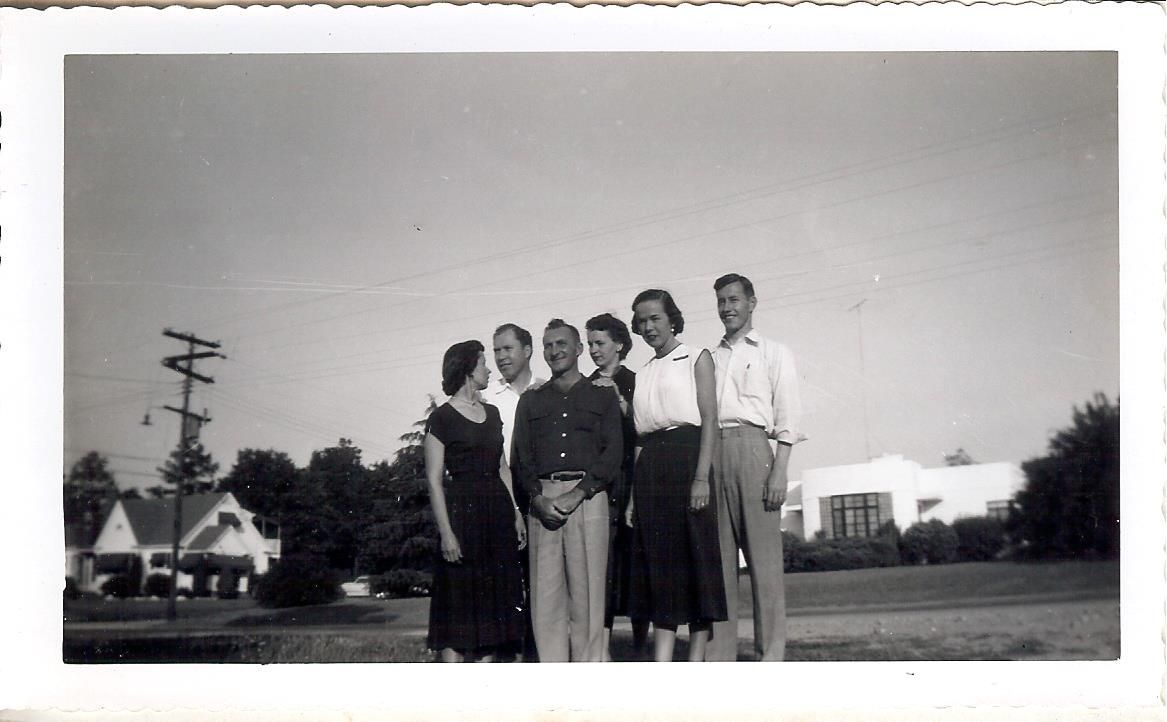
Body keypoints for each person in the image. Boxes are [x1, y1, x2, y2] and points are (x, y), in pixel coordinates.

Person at [705, 273, 805, 662]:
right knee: (720, 563)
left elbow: (788, 414)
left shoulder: (773, 352)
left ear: (751, 303)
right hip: (714, 451)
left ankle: (771, 656)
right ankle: (721, 657)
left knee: (764, 564)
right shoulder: (709, 358)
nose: (727, 308)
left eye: (733, 300)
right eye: (721, 301)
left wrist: (779, 470)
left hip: (754, 450)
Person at [512, 318, 623, 662]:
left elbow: (613, 452)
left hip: (588, 498)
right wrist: (537, 498)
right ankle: (554, 684)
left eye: (562, 344)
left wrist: (579, 492)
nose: (554, 351)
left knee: (587, 598)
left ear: (578, 349)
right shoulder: (530, 402)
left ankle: (587, 682)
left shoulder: (602, 396)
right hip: (543, 501)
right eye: (548, 345)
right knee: (545, 600)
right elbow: (520, 457)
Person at [626, 289, 727, 662]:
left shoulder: (696, 357)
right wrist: (636, 496)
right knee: (660, 565)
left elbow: (711, 420)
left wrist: (701, 478)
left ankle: (696, 659)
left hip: (688, 461)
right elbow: (639, 437)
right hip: (652, 469)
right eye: (641, 321)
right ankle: (663, 661)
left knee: (696, 559)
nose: (649, 326)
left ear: (672, 318)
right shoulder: (644, 372)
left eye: (655, 318)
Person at [423, 340, 528, 663]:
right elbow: (434, 479)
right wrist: (447, 533)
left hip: (497, 515)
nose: (489, 369)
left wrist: (515, 513)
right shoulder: (442, 418)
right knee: (458, 605)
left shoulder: (493, 413)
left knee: (494, 605)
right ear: (468, 369)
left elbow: (503, 467)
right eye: (484, 363)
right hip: (462, 517)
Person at [585, 312, 650, 658]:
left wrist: (621, 402)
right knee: (602, 566)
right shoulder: (585, 384)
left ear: (620, 345)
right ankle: (603, 647)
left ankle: (641, 645)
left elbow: (643, 430)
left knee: (635, 564)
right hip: (599, 484)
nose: (594, 350)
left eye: (600, 343)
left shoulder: (637, 381)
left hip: (631, 480)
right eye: (591, 343)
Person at [482, 322, 545, 660]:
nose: (501, 357)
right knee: (505, 578)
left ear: (527, 350)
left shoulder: (547, 390)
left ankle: (536, 652)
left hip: (537, 491)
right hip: (501, 493)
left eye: (507, 349)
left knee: (539, 575)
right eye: (496, 351)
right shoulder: (488, 396)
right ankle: (506, 652)